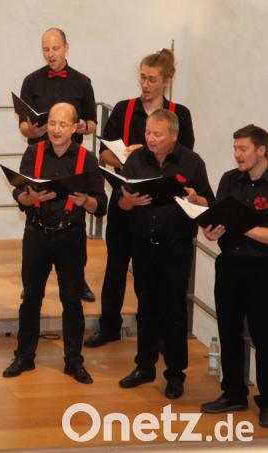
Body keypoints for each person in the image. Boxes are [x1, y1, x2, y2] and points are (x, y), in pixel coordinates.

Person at [86, 48, 195, 348]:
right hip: (127, 200)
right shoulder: (124, 109)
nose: (145, 85)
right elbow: (104, 152)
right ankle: (109, 325)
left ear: (167, 81)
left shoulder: (179, 113)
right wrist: (127, 158)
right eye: (142, 78)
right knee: (116, 264)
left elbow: (185, 156)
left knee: (157, 273)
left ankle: (158, 332)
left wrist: (153, 153)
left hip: (162, 207)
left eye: (152, 80)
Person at [2, 103, 106, 384]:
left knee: (71, 300)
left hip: (70, 236)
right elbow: (19, 195)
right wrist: (30, 198)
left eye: (62, 124)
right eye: (52, 123)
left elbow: (101, 205)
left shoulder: (87, 159)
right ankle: (24, 356)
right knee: (31, 298)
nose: (56, 129)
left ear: (74, 128)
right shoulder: (33, 153)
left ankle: (74, 361)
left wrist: (87, 201)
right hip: (36, 234)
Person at [116, 109, 213, 400]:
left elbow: (209, 203)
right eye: (148, 133)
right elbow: (122, 205)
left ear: (173, 135)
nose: (151, 139)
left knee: (173, 311)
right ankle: (145, 366)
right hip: (143, 246)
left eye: (157, 134)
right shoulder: (135, 160)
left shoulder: (191, 162)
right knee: (146, 307)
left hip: (176, 247)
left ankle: (175, 374)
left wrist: (195, 198)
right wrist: (128, 201)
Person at [18, 27, 98, 302]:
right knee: (37, 215)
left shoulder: (82, 82)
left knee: (74, 218)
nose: (50, 54)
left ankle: (79, 279)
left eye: (55, 48)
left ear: (66, 47)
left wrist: (80, 126)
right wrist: (35, 131)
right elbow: (23, 127)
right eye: (45, 49)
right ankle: (32, 280)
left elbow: (92, 122)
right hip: (40, 158)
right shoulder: (31, 81)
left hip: (72, 160)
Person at [199, 124, 268, 427]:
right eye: (235, 148)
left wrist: (244, 227)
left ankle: (267, 401)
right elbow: (219, 221)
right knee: (228, 330)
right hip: (228, 265)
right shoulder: (229, 179)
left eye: (243, 149)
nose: (237, 154)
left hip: (261, 269)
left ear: (261, 150)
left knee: (264, 336)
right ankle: (234, 393)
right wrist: (211, 229)